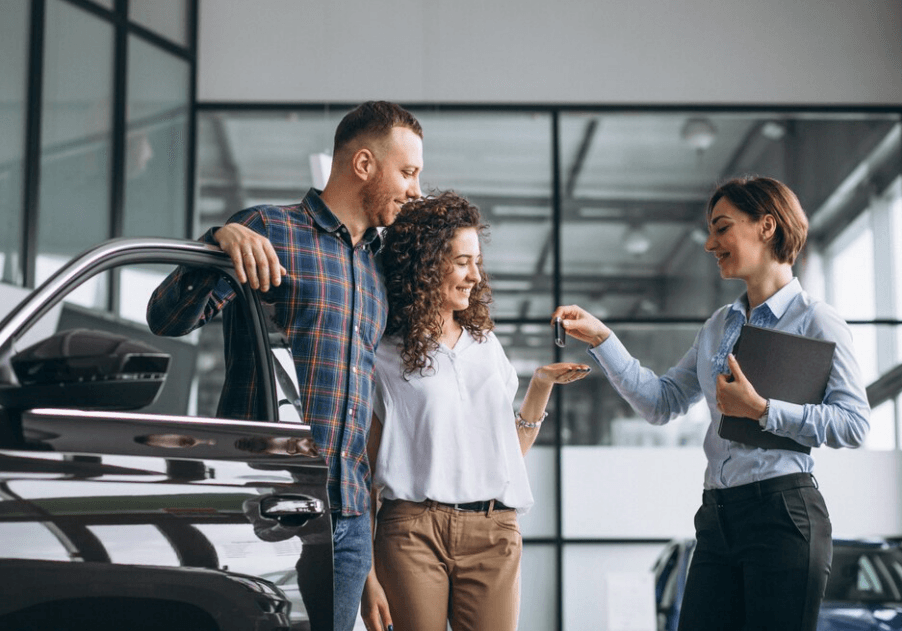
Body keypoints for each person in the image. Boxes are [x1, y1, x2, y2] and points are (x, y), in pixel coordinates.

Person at [146, 101, 424, 631]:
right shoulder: (267, 229)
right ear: (364, 164)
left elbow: (366, 412)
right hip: (270, 508)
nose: (414, 189)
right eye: (407, 172)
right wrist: (216, 242)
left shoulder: (380, 267)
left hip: (347, 520)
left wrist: (366, 557)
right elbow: (167, 318)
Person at [553, 176, 870, 631]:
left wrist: (762, 409)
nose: (709, 243)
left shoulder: (816, 320)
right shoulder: (719, 326)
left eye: (722, 228)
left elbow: (855, 424)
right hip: (718, 519)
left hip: (783, 516)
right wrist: (604, 339)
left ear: (766, 226)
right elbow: (661, 402)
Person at [360, 192, 591, 631]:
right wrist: (367, 576)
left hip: (494, 530)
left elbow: (508, 453)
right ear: (426, 265)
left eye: (477, 262)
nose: (475, 275)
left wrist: (539, 386)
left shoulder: (486, 347)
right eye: (463, 262)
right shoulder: (383, 355)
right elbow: (365, 473)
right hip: (412, 532)